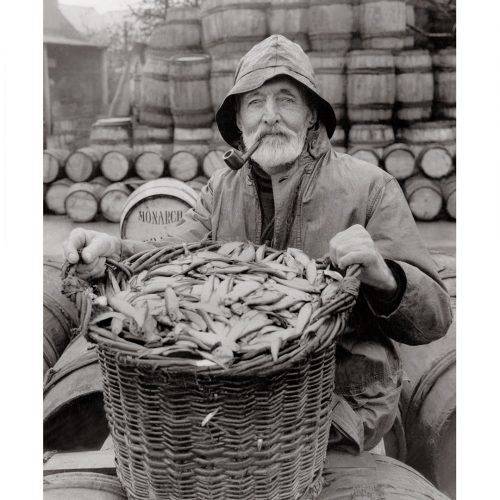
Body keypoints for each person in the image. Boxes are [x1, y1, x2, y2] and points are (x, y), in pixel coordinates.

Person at [63, 35, 453, 453]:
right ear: (240, 119)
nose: (270, 116)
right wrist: (114, 253)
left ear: (311, 117)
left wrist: (386, 277)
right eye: (255, 103)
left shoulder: (370, 188)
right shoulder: (222, 189)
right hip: (232, 398)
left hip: (338, 405)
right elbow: (176, 255)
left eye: (285, 100)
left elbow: (434, 318)